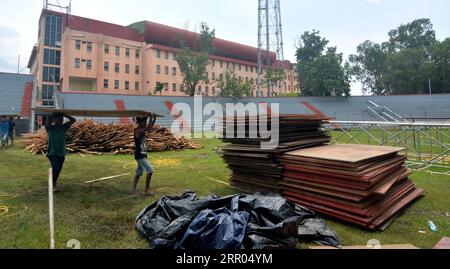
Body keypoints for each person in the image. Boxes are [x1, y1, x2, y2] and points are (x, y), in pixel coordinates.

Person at [45, 113, 76, 193]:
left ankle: (54, 182)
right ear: (54, 120)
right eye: (58, 118)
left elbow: (73, 120)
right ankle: (52, 184)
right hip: (52, 152)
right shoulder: (49, 128)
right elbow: (48, 120)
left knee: (58, 169)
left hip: (61, 152)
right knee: (56, 167)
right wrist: (53, 113)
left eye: (61, 119)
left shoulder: (63, 127)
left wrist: (65, 114)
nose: (60, 120)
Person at [132, 115, 156, 196]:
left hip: (143, 154)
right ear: (139, 122)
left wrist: (154, 119)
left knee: (139, 172)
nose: (145, 123)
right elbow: (148, 128)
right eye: (144, 121)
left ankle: (133, 189)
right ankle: (147, 189)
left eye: (146, 121)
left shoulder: (142, 130)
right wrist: (151, 118)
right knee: (150, 170)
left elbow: (149, 128)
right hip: (140, 155)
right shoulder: (137, 130)